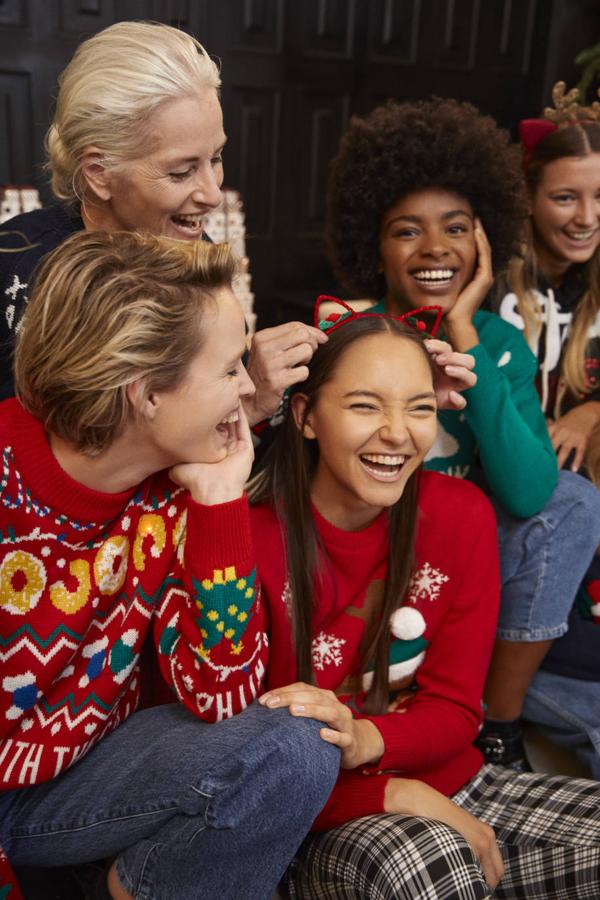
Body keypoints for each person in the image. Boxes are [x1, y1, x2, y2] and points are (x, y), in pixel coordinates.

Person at [0, 230, 339, 900]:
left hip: (67, 787)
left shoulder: (178, 493)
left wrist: (219, 501)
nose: (250, 387)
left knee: (297, 747)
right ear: (146, 393)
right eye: (230, 368)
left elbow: (222, 694)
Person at [250, 306, 600, 899]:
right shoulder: (249, 539)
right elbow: (235, 764)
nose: (397, 433)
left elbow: (457, 709)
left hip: (458, 784)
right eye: (365, 406)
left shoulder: (458, 513)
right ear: (306, 417)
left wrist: (375, 744)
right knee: (430, 862)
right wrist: (389, 790)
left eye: (417, 407)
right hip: (314, 817)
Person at [0, 20, 476, 423]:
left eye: (217, 157)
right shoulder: (17, 269)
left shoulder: (201, 259)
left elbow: (229, 443)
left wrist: (399, 393)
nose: (211, 194)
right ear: (99, 174)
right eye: (182, 171)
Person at [324, 96, 600, 772]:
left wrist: (468, 338)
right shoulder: (349, 334)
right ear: (375, 245)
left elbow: (534, 492)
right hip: (368, 551)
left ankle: (497, 727)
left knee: (572, 499)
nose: (434, 248)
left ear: (485, 237)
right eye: (406, 231)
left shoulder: (500, 343)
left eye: (455, 227)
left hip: (462, 555)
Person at [491, 85, 600, 773]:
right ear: (529, 197)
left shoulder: (595, 289)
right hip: (512, 517)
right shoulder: (491, 286)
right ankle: (496, 718)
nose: (588, 218)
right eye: (566, 198)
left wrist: (594, 407)